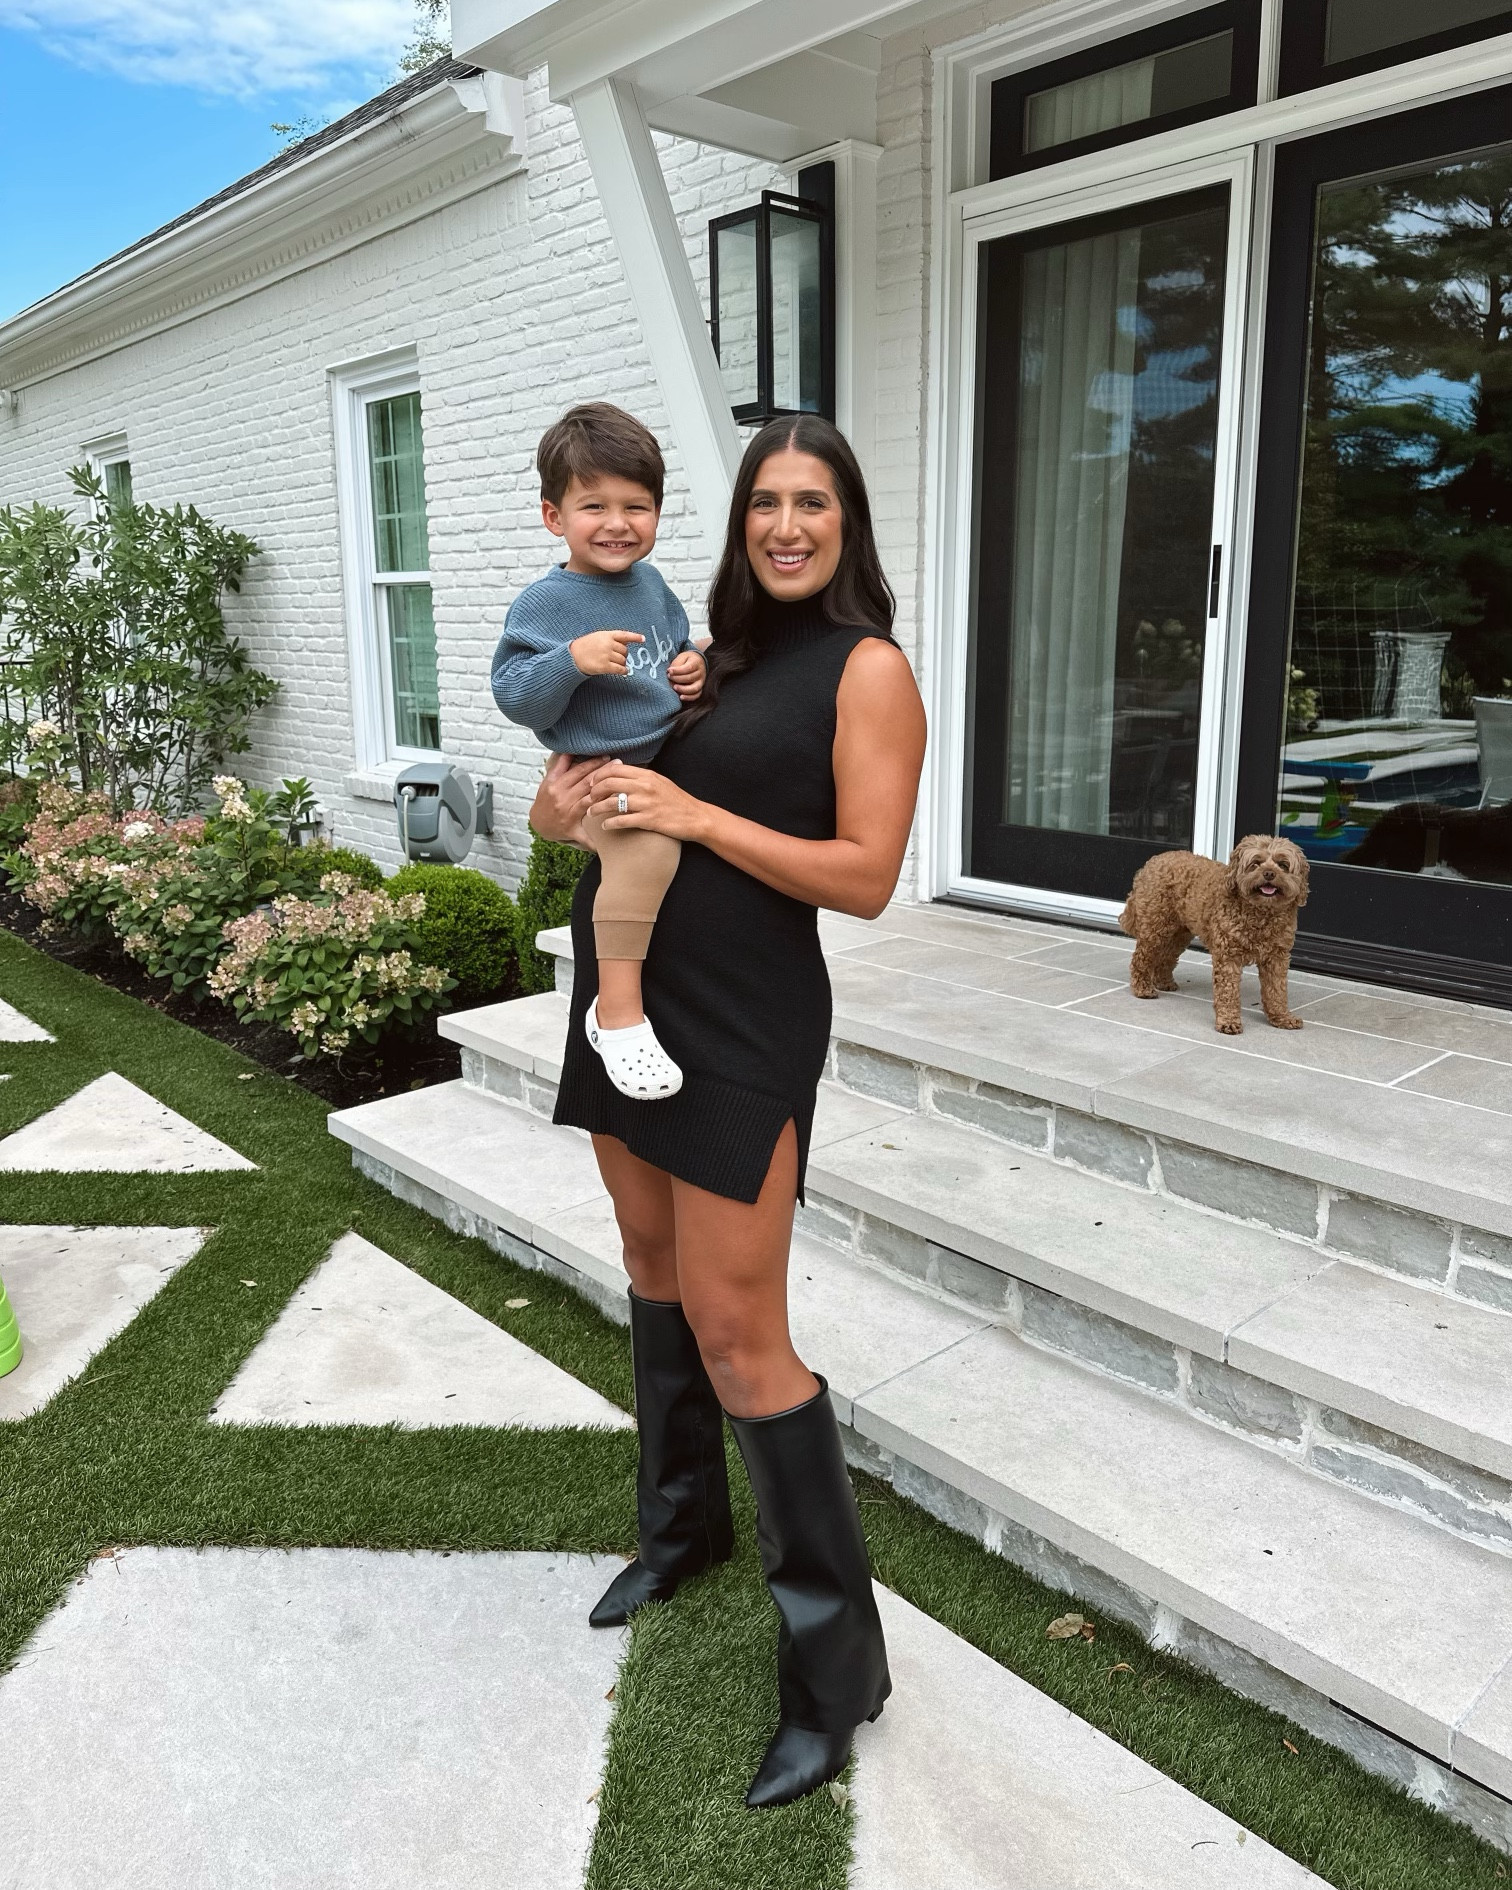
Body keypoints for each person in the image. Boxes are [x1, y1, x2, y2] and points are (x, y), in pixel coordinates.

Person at [529, 414, 927, 1810]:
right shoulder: (702, 654)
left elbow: (866, 876)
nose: (787, 525)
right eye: (766, 501)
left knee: (744, 1329)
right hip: (627, 1004)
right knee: (652, 1268)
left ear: (847, 520)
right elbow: (589, 799)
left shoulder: (867, 669)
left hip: (746, 1024)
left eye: (813, 501)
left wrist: (700, 821)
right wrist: (560, 808)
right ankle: (681, 1530)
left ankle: (837, 1669)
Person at [491, 403, 707, 1101]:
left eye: (636, 506)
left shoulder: (652, 585)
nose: (618, 523)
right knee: (648, 852)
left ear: (657, 512)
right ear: (554, 517)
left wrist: (691, 665)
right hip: (599, 773)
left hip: (659, 760)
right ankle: (616, 1014)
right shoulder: (544, 603)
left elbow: (675, 647)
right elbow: (515, 695)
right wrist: (571, 661)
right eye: (595, 506)